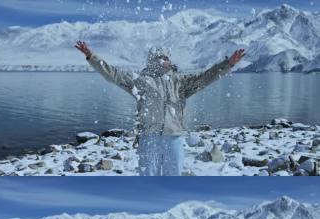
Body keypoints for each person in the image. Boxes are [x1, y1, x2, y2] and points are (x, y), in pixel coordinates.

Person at [74, 42, 246, 176]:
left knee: (173, 176)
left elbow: (206, 77)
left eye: (165, 57)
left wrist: (228, 64)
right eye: (157, 57)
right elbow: (113, 74)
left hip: (174, 137)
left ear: (170, 60)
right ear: (151, 61)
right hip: (149, 137)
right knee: (148, 177)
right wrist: (91, 56)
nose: (162, 60)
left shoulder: (180, 81)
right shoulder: (140, 81)